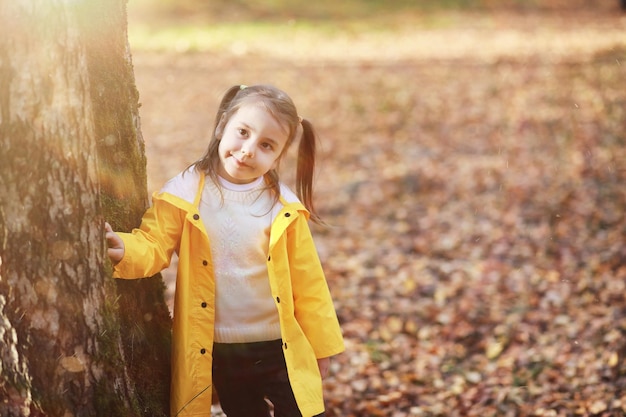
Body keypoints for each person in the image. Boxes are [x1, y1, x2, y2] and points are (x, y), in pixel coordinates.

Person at [104, 84, 345, 417]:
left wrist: (322, 346)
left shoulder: (283, 208)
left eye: (266, 145)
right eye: (243, 133)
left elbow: (309, 282)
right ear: (222, 126)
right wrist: (124, 248)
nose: (247, 150)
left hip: (281, 345)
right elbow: (155, 243)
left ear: (278, 157)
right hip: (219, 349)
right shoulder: (185, 193)